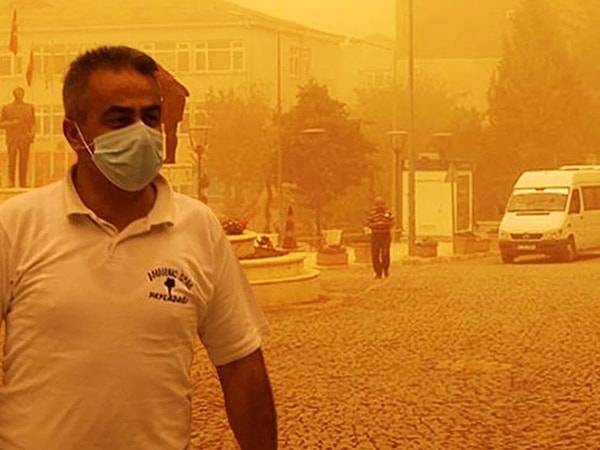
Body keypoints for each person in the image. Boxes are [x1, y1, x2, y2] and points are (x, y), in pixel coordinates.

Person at [0, 46, 277, 449]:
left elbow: (241, 366)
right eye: (119, 119)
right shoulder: (16, 224)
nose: (143, 133)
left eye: (150, 116)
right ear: (74, 134)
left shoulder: (198, 227)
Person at [0, 86, 36, 188]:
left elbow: (33, 123)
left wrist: (32, 133)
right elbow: (1, 123)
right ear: (14, 94)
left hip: (25, 138)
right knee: (12, 160)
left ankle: (23, 182)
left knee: (24, 161)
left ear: (23, 95)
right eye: (17, 93)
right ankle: (11, 181)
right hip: (12, 138)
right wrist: (12, 123)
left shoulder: (29, 108)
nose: (19, 95)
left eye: (21, 93)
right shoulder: (7, 108)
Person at [156, 64, 189, 164]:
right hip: (176, 96)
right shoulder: (158, 71)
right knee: (170, 128)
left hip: (174, 97)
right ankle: (170, 157)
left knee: (170, 128)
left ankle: (170, 157)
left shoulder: (153, 74)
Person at [365, 196, 395, 279]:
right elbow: (368, 223)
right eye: (378, 204)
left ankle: (385, 269)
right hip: (375, 236)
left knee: (385, 254)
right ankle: (378, 272)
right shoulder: (371, 214)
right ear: (375, 205)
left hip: (385, 236)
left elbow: (392, 222)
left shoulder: (388, 213)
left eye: (381, 204)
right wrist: (377, 225)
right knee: (375, 255)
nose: (380, 206)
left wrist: (383, 225)